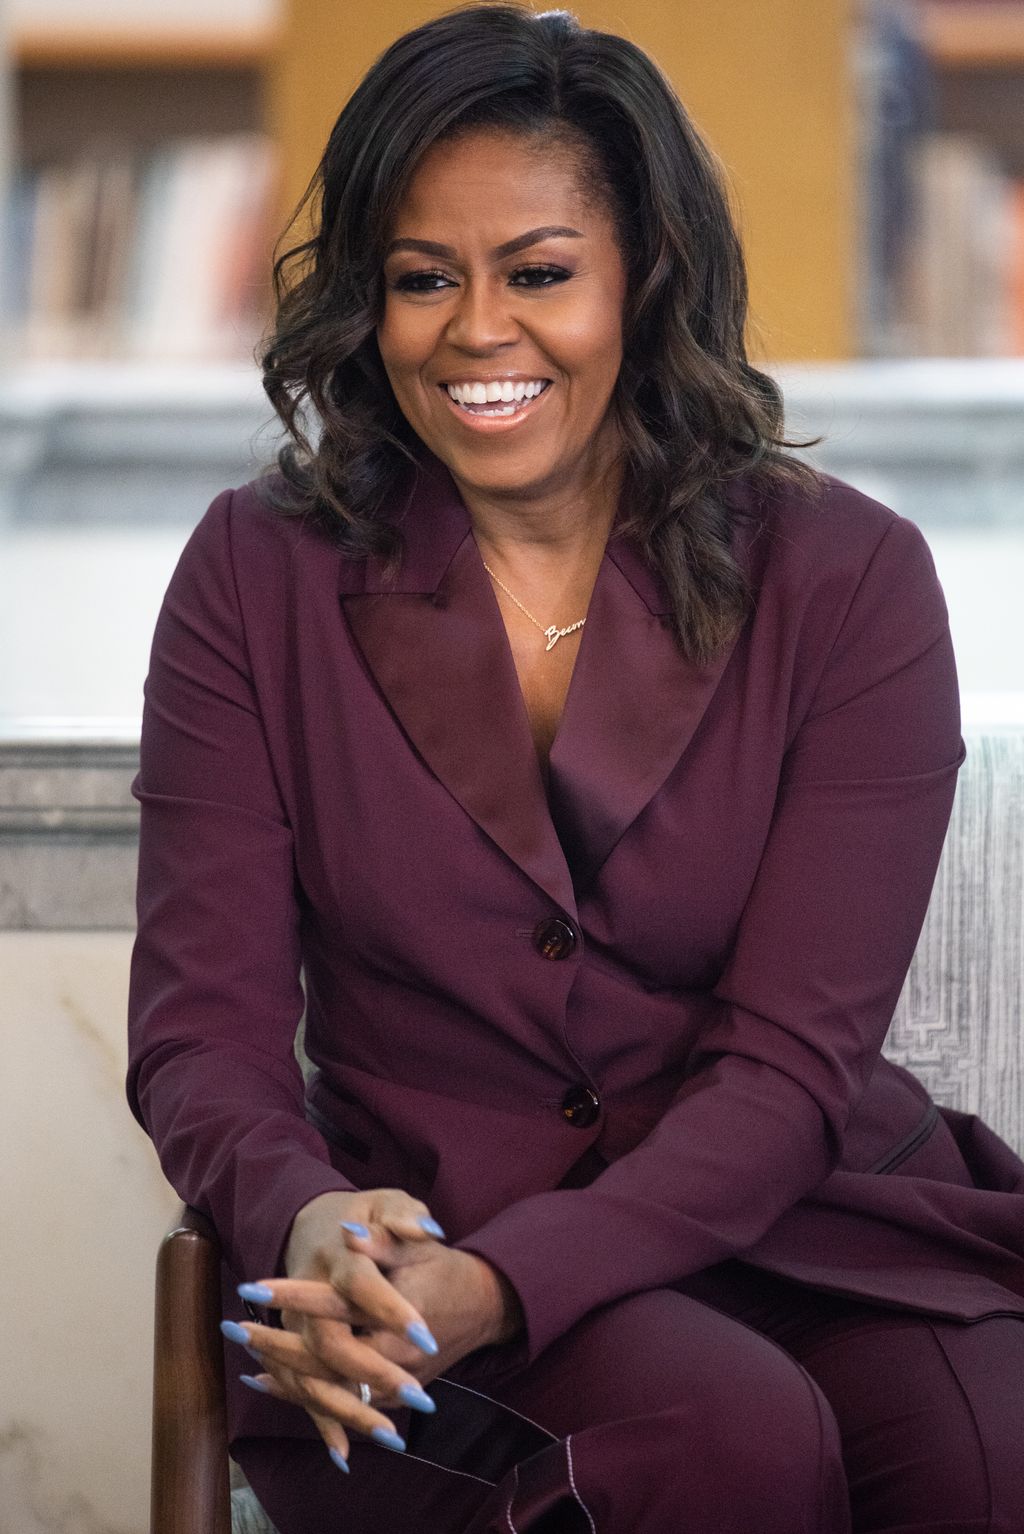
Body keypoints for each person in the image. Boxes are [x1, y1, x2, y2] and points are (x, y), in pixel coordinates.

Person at [126, 7, 1024, 1531]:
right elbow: (199, 1034)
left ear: (644, 279)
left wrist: (511, 1281)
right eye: (423, 279)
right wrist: (310, 1212)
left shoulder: (851, 581)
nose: (479, 330)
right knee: (721, 1440)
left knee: (988, 1451)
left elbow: (793, 1067)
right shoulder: (252, 575)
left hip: (805, 1222)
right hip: (416, 1259)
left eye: (539, 271)